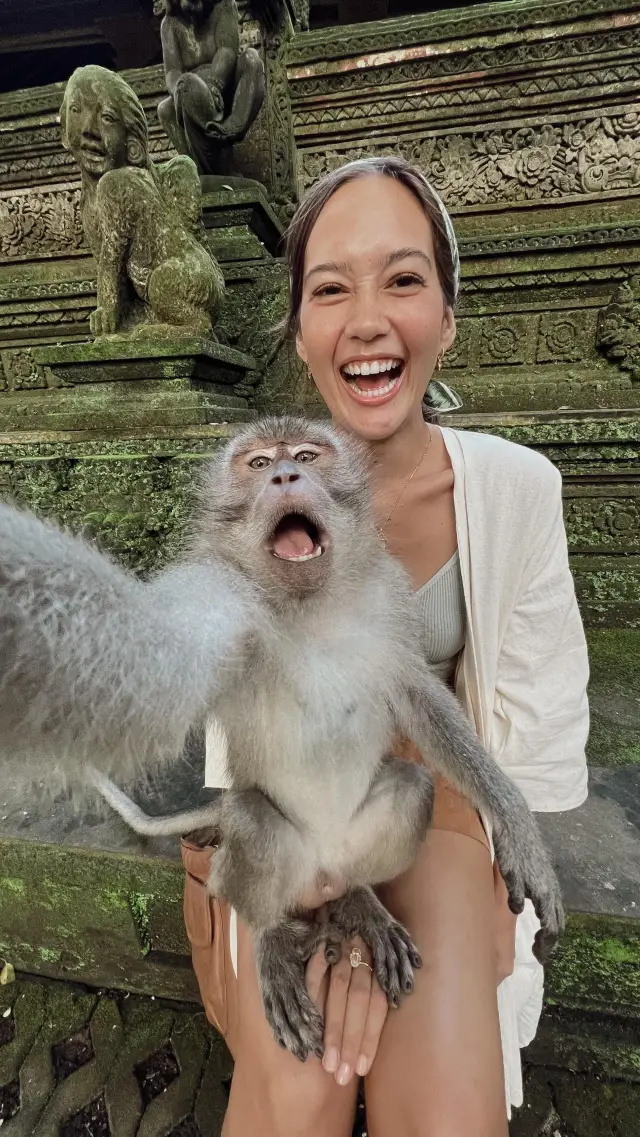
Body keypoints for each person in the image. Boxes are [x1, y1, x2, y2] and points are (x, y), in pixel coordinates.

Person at [180, 155, 589, 1136]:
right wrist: (325, 907)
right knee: (304, 1073)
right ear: (302, 331)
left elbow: (522, 747)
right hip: (282, 811)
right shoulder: (268, 485)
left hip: (432, 802)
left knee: (440, 1089)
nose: (366, 318)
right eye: (331, 289)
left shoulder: (515, 492)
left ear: (447, 315)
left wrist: (500, 877)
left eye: (402, 280)